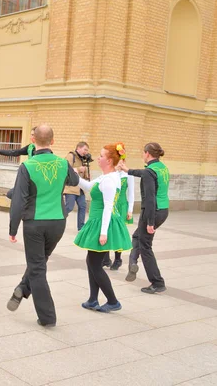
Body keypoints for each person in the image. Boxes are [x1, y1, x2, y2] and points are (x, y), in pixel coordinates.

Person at [7, 125, 79, 327]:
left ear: (32, 140)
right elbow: (74, 180)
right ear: (53, 142)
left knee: (37, 268)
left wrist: (13, 229)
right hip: (58, 222)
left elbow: (18, 201)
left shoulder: (27, 166)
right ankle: (22, 287)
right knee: (40, 261)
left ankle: (47, 317)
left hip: (34, 223)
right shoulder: (63, 163)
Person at [74, 143, 132, 312]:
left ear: (108, 160)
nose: (97, 158)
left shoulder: (110, 180)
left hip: (102, 222)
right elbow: (88, 186)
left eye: (100, 156)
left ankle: (113, 301)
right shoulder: (105, 177)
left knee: (94, 264)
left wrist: (103, 233)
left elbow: (108, 206)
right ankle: (93, 299)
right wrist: (72, 173)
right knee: (92, 262)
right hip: (98, 221)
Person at [118, 142, 169, 294]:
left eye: (143, 153)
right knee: (137, 237)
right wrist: (128, 170)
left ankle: (157, 282)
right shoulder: (161, 168)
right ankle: (132, 262)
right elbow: (144, 173)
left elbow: (150, 198)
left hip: (152, 211)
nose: (142, 155)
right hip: (163, 210)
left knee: (145, 245)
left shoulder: (149, 172)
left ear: (147, 153)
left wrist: (150, 222)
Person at [103, 163, 135, 270]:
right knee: (105, 229)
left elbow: (131, 193)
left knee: (118, 232)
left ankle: (118, 259)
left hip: (121, 205)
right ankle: (106, 258)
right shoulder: (110, 173)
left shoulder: (128, 174)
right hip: (109, 203)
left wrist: (130, 210)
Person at [64, 142, 92, 231]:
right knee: (69, 207)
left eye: (87, 150)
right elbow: (65, 169)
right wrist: (79, 169)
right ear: (78, 148)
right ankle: (57, 221)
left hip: (80, 188)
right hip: (71, 187)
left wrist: (86, 174)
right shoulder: (71, 156)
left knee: (83, 206)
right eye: (85, 149)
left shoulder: (82, 159)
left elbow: (81, 173)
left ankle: (81, 227)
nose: (86, 152)